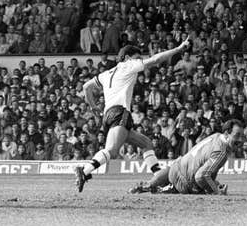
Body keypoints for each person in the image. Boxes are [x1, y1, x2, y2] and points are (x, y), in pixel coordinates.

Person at [74, 37, 190, 192]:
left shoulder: (106, 73)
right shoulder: (127, 66)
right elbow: (155, 59)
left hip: (108, 115)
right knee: (112, 151)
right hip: (120, 113)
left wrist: (94, 107)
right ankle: (84, 171)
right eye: (137, 58)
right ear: (127, 58)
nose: (139, 61)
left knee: (146, 143)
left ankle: (159, 180)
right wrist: (178, 48)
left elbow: (87, 87)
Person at [129, 119, 245, 195]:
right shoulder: (221, 151)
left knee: (179, 167)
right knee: (210, 184)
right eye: (237, 135)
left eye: (241, 136)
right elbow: (201, 176)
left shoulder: (216, 136)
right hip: (185, 181)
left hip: (177, 165)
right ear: (226, 133)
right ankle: (164, 189)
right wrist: (216, 191)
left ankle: (146, 185)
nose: (240, 140)